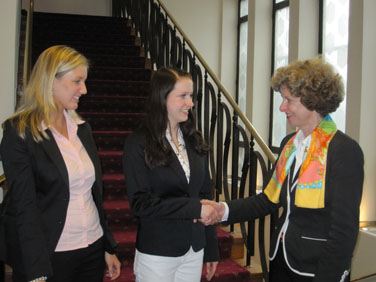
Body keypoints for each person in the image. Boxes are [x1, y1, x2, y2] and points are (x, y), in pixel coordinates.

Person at [201, 58, 364, 282]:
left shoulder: (343, 150)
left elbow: (344, 231)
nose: (281, 107)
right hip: (281, 261)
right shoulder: (290, 144)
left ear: (312, 100)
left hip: (316, 270)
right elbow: (267, 200)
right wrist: (223, 209)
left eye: (289, 100)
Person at [0, 45, 121, 282]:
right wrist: (35, 270)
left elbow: (93, 194)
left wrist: (108, 246)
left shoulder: (82, 129)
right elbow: (25, 206)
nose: (84, 90)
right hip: (51, 252)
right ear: (51, 81)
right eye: (77, 81)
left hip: (92, 247)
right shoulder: (20, 132)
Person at [122, 67, 220, 282]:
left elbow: (206, 196)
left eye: (191, 96)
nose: (191, 103)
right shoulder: (138, 142)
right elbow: (141, 203)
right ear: (162, 98)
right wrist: (195, 208)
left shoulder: (194, 140)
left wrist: (211, 247)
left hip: (194, 250)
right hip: (158, 251)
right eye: (182, 96)